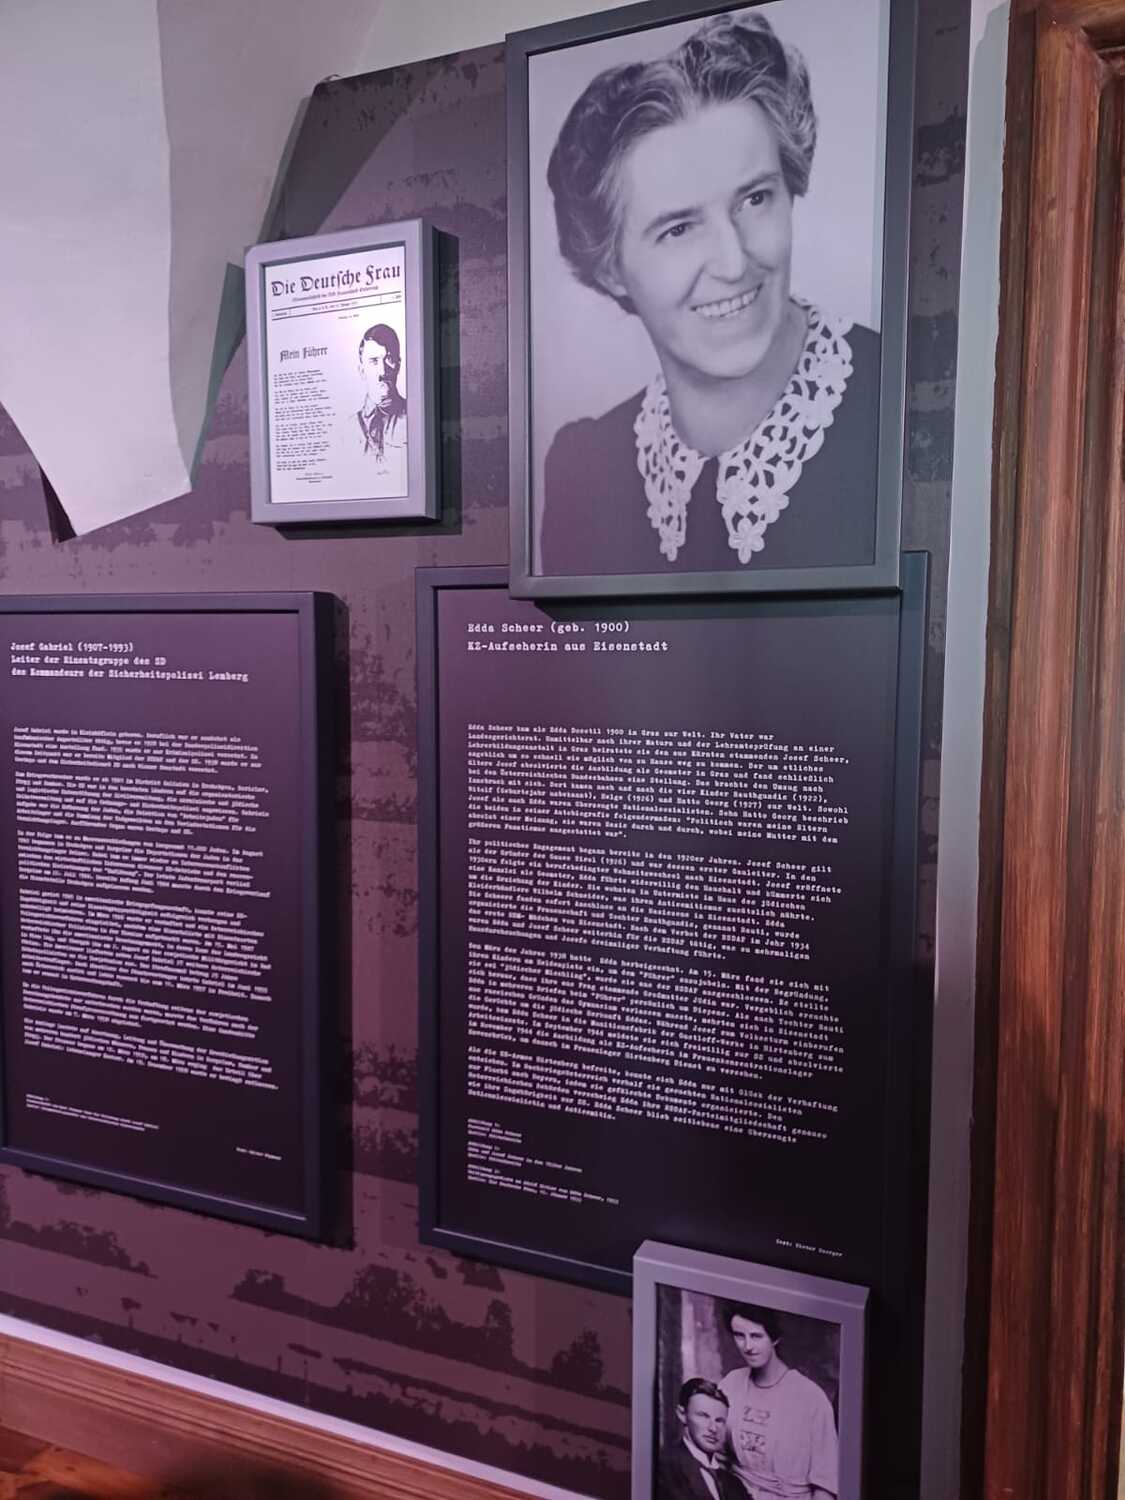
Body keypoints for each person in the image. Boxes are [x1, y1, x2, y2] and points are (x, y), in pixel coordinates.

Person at [540, 11, 879, 577]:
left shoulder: (895, 403)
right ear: (611, 269)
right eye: (678, 229)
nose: (733, 262)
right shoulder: (584, 471)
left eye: (754, 200)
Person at [718, 1304, 838, 1500]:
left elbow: (826, 1484)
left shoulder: (811, 1398)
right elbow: (716, 1459)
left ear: (774, 1338)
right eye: (739, 1335)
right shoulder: (730, 1384)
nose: (748, 1346)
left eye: (756, 1336)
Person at [657, 1377, 746, 1500]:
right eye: (703, 1416)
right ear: (682, 1414)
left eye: (719, 1420)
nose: (713, 1428)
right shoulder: (662, 1468)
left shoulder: (734, 1484)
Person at [356, 323, 407, 487]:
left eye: (389, 359)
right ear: (361, 371)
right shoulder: (344, 429)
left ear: (398, 364)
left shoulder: (415, 419)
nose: (383, 371)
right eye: (374, 361)